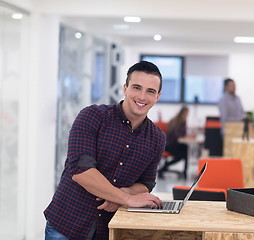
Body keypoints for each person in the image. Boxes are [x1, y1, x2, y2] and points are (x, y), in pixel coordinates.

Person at [44, 61, 165, 240]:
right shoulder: (92, 116)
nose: (142, 96)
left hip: (109, 228)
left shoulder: (157, 138)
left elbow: (146, 183)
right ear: (125, 88)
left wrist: (123, 195)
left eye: (150, 91)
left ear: (158, 96)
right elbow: (81, 170)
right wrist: (127, 199)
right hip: (67, 223)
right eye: (137, 88)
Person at [158, 106, 193, 179]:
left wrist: (187, 135)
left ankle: (166, 167)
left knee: (185, 149)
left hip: (173, 143)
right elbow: (176, 134)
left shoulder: (180, 121)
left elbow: (181, 134)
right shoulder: (177, 121)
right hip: (169, 144)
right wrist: (186, 136)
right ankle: (165, 167)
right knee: (183, 153)